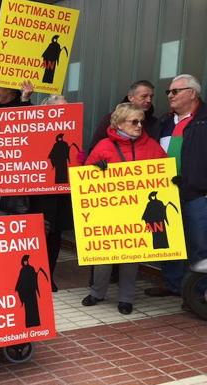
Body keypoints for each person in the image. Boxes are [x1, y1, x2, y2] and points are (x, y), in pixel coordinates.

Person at [82, 103, 167, 315]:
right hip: (108, 211)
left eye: (141, 121)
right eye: (134, 121)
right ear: (119, 123)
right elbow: (84, 178)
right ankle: (97, 292)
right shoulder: (103, 146)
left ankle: (126, 297)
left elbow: (163, 170)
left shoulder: (152, 146)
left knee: (132, 256)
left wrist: (171, 178)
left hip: (136, 211)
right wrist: (94, 169)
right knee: (104, 255)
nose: (140, 125)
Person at [144, 74, 207, 298]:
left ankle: (198, 294)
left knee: (200, 246)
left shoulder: (204, 120)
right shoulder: (165, 122)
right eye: (169, 92)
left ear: (192, 93)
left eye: (175, 91)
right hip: (166, 193)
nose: (170, 95)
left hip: (197, 194)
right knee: (169, 242)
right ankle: (173, 286)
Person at [27, 95, 73, 291]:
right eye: (60, 108)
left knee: (54, 237)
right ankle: (36, 274)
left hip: (60, 193)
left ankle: (49, 276)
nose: (65, 112)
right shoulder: (32, 129)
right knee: (36, 236)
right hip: (36, 196)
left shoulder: (72, 131)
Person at [88, 80, 157, 153]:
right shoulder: (111, 119)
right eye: (144, 96)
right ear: (130, 98)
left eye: (151, 96)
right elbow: (94, 151)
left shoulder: (155, 123)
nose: (149, 100)